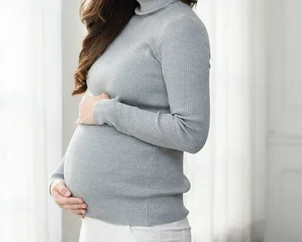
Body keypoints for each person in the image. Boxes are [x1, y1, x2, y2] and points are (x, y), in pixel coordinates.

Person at [49, 0, 210, 241]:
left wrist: (107, 111)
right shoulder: (127, 17)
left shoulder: (180, 25)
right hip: (95, 224)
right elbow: (93, 114)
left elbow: (191, 132)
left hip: (142, 229)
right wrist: (60, 178)